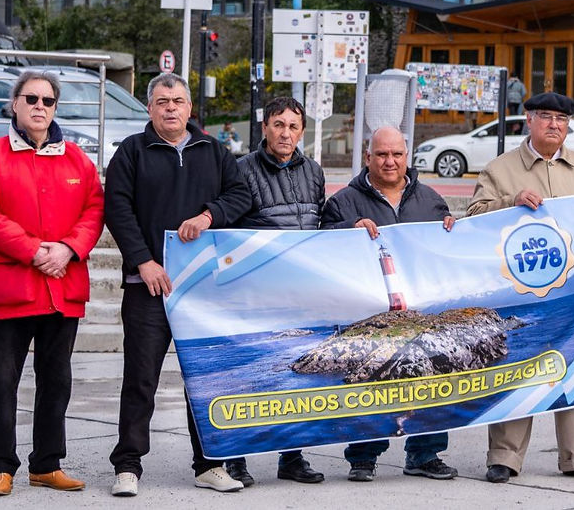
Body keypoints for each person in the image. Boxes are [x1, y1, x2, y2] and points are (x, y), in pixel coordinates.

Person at [104, 74, 253, 497]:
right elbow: (116, 207)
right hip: (147, 286)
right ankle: (128, 465)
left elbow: (242, 196)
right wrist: (143, 261)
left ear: (190, 109)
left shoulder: (214, 151)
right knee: (140, 380)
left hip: (202, 289)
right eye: (162, 101)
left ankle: (209, 465)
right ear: (149, 109)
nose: (171, 108)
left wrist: (209, 215)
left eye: (179, 101)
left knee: (203, 379)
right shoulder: (132, 151)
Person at [467, 91, 574, 484]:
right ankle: (504, 457)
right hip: (519, 294)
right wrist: (510, 199)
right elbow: (473, 220)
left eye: (562, 119)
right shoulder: (501, 169)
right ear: (528, 120)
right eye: (546, 116)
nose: (555, 124)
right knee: (517, 372)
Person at [0, 71, 104, 497]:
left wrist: (67, 249)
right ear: (15, 104)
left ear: (56, 107)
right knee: (2, 381)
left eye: (48, 100)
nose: (40, 106)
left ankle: (46, 464)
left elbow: (94, 209)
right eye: (31, 98)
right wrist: (33, 251)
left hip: (62, 290)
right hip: (12, 291)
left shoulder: (77, 159)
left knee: (57, 381)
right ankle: (1, 465)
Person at [321, 126, 458, 483]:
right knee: (372, 387)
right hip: (369, 314)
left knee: (430, 382)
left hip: (421, 313)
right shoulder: (344, 201)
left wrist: (451, 229)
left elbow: (445, 255)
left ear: (407, 156)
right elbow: (322, 243)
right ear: (368, 158)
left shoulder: (430, 199)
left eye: (397, 154)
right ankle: (363, 458)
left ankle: (425, 454)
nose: (390, 161)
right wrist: (350, 228)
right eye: (381, 154)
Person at [222, 96, 326, 487]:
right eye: (278, 125)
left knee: (295, 373)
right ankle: (236, 457)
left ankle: (292, 456)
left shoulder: (313, 171)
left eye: (293, 127)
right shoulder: (239, 170)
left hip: (300, 293)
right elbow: (229, 224)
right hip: (255, 290)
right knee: (250, 375)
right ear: (264, 127)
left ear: (301, 132)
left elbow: (322, 221)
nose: (286, 133)